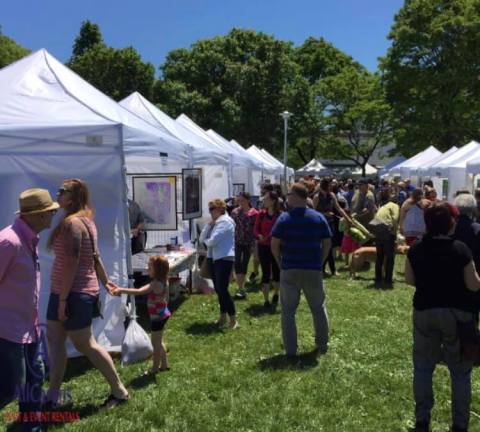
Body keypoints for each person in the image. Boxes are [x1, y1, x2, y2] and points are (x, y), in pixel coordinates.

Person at [46, 179, 129, 408]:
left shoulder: (74, 224)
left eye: (62, 191)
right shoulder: (84, 221)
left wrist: (63, 300)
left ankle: (119, 391)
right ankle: (53, 394)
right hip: (64, 292)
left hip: (74, 293)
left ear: (72, 198)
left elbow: (73, 263)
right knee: (55, 340)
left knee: (85, 343)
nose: (58, 194)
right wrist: (106, 281)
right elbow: (95, 257)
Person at [405, 203, 480, 432]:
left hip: (425, 311)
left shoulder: (416, 249)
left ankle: (422, 419)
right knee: (459, 372)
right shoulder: (460, 249)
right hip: (458, 315)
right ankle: (459, 423)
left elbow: (409, 280)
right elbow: (474, 285)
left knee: (423, 366)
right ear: (451, 223)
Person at [0, 188, 59, 432]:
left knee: (34, 381)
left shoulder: (27, 239)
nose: (53, 216)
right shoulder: (9, 241)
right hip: (7, 329)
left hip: (28, 327)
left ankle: (32, 428)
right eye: (50, 212)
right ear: (38, 215)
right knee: (9, 388)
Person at [271, 183, 332, 357]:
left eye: (289, 194)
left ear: (296, 196)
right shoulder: (318, 217)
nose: (287, 197)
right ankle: (322, 345)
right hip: (312, 268)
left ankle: (291, 350)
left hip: (290, 268)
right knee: (318, 307)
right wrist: (320, 261)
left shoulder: (284, 218)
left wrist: (279, 262)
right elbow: (327, 243)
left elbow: (274, 244)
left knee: (288, 312)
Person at [114, 256, 171, 374]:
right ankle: (164, 364)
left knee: (155, 344)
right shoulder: (164, 281)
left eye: (150, 267)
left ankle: (155, 369)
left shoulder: (155, 284)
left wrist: (121, 290)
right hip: (162, 314)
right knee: (158, 341)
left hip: (158, 318)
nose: (147, 268)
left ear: (158, 270)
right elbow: (167, 298)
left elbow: (139, 291)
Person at [199, 199, 237, 329]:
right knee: (219, 289)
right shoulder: (215, 223)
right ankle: (223, 316)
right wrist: (209, 226)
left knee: (223, 290)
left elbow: (212, 241)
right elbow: (201, 238)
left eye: (212, 209)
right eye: (209, 209)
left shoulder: (225, 222)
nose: (210, 212)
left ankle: (233, 319)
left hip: (224, 258)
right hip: (214, 258)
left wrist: (207, 240)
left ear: (221, 209)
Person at [313, 178, 351, 277]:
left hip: (330, 224)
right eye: (330, 185)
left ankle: (324, 269)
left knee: (329, 246)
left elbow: (339, 208)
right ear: (325, 185)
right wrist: (325, 213)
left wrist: (347, 218)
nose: (332, 187)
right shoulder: (317, 197)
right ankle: (329, 269)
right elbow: (312, 213)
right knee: (326, 247)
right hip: (319, 224)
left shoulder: (332, 195)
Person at [254, 191, 282, 308]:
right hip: (263, 246)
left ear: (273, 201)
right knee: (265, 272)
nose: (263, 201)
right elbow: (255, 229)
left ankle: (276, 293)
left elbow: (281, 230)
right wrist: (259, 235)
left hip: (277, 247)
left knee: (277, 271)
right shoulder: (261, 214)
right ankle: (266, 300)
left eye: (265, 199)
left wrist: (272, 237)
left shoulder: (280, 215)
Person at [231, 192, 258, 299]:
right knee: (237, 262)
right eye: (239, 200)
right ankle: (240, 287)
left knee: (244, 263)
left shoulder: (255, 213)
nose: (240, 202)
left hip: (249, 242)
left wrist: (255, 243)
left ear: (248, 200)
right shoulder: (235, 212)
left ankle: (241, 286)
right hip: (237, 241)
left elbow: (256, 229)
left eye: (242, 200)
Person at [372, 189, 400, 288]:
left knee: (379, 256)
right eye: (393, 193)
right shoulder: (394, 205)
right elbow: (395, 219)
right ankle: (388, 279)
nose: (395, 194)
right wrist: (395, 233)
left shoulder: (382, 205)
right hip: (388, 232)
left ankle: (378, 278)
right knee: (389, 257)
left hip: (378, 230)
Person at [453, 194, 480, 274]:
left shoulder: (449, 227)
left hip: (453, 269)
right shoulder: (477, 228)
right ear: (473, 209)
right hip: (474, 270)